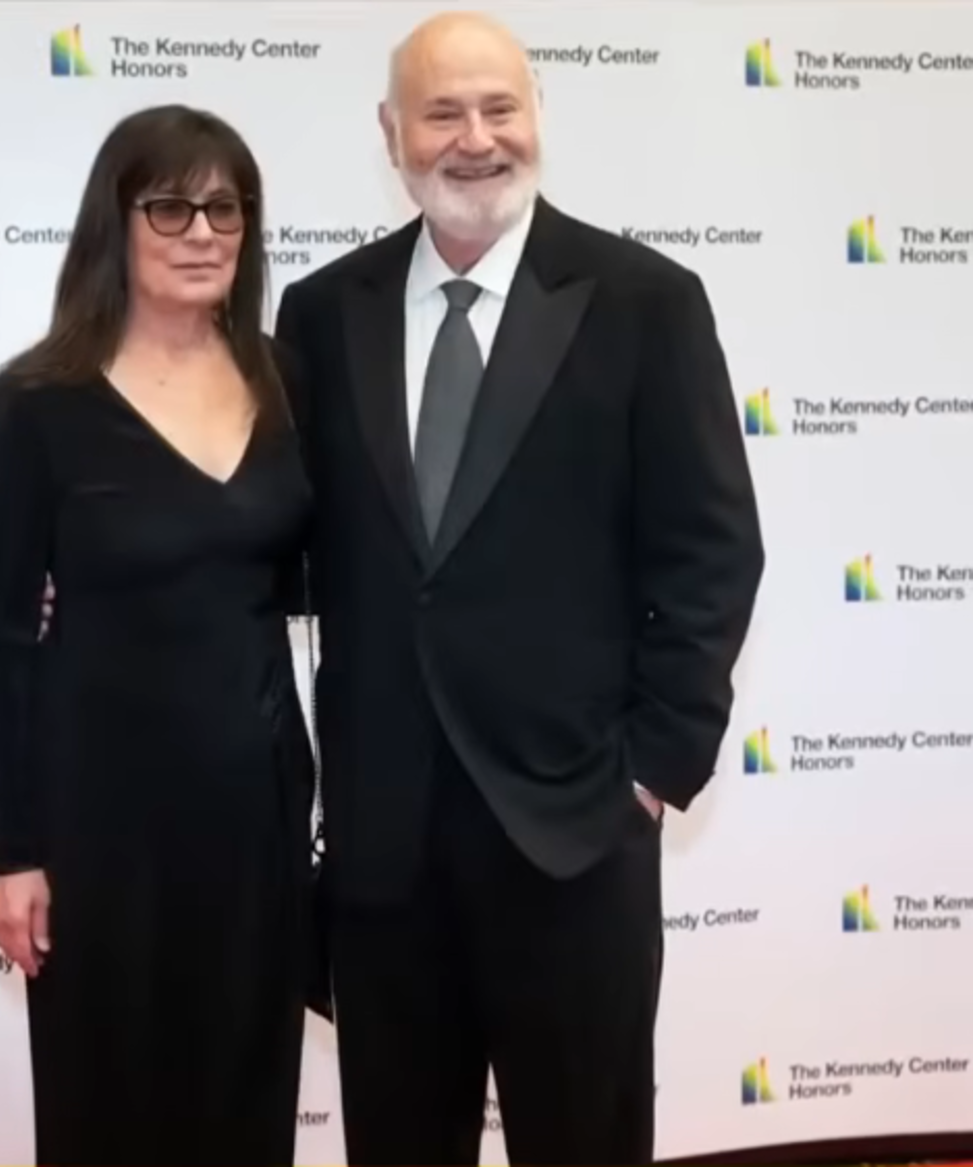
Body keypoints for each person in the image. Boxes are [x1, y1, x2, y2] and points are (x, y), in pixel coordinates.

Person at [274, 12, 764, 1166]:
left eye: (499, 107)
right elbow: (289, 541)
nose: (475, 138)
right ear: (391, 132)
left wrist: (654, 770)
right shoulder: (319, 313)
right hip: (384, 849)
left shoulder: (646, 301)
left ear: (539, 113)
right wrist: (97, 590)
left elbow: (711, 549)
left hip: (576, 834)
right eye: (443, 112)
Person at [0, 104, 314, 1167]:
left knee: (245, 1095)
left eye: (227, 206)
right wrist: (13, 848)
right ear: (113, 221)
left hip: (255, 809)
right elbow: (2, 638)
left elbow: (322, 575)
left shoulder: (285, 379)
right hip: (98, 823)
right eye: (170, 204)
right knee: (106, 1104)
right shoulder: (40, 404)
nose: (202, 230)